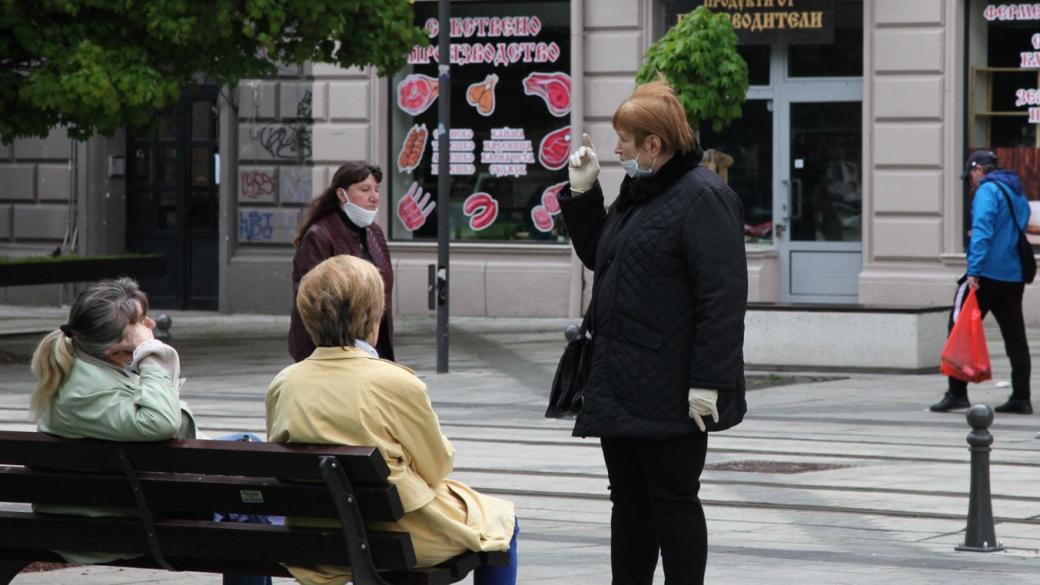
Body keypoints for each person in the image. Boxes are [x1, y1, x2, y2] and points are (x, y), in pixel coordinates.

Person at [558, 80, 747, 585]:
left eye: (623, 140)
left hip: (672, 385)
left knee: (673, 501)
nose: (616, 149)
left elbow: (722, 300)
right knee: (629, 501)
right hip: (620, 377)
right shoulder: (640, 193)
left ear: (654, 144)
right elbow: (603, 254)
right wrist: (583, 193)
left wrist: (709, 380)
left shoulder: (705, 197)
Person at [267, 255, 518, 585]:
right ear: (372, 316)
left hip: (315, 534)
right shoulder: (395, 382)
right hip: (398, 534)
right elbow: (437, 467)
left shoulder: (285, 382)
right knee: (503, 522)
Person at [29, 278, 195, 564]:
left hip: (117, 510)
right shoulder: (86, 391)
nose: (151, 329)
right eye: (142, 323)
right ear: (116, 350)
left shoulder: (80, 370)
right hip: (119, 525)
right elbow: (162, 423)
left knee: (246, 449)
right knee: (251, 506)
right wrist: (151, 355)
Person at [930, 151, 1033, 415]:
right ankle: (1021, 397)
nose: (972, 182)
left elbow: (983, 232)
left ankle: (957, 393)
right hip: (1013, 275)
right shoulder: (1016, 192)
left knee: (958, 326)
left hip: (986, 273)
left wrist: (973, 270)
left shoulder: (987, 192)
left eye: (971, 176)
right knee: (1015, 336)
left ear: (978, 170)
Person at [289, 161, 395, 362]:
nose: (374, 197)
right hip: (332, 348)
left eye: (376, 190)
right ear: (341, 194)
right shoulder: (320, 235)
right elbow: (310, 298)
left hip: (373, 345)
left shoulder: (374, 233)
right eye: (365, 190)